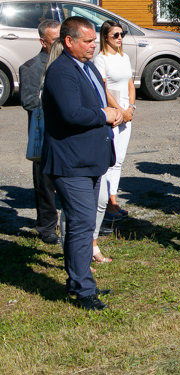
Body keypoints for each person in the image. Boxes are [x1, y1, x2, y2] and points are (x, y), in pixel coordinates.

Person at [41, 16, 123, 310]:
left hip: (90, 159)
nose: (93, 46)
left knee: (82, 224)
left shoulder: (86, 66)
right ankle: (84, 290)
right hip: (70, 162)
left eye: (93, 40)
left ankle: (78, 279)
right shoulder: (61, 71)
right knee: (81, 224)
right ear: (68, 42)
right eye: (87, 41)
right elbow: (71, 114)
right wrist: (105, 115)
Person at [89, 21, 136, 263]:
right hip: (114, 113)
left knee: (120, 160)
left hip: (127, 112)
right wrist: (120, 111)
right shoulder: (101, 60)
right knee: (110, 158)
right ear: (105, 37)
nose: (120, 38)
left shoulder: (124, 56)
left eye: (122, 34)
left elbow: (130, 83)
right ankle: (108, 202)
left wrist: (132, 107)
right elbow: (104, 89)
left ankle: (113, 199)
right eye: (115, 35)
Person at [19, 19, 61, 244]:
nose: (60, 44)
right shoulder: (31, 67)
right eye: (55, 40)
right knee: (44, 181)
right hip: (43, 134)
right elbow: (28, 102)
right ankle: (46, 226)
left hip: (65, 133)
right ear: (43, 42)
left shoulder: (68, 62)